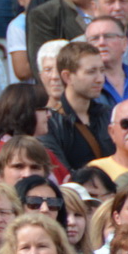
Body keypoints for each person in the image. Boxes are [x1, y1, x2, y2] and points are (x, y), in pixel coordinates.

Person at [43, 41, 114, 170]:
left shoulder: (111, 115)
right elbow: (62, 173)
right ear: (67, 77)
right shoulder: (49, 123)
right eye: (91, 72)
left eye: (102, 71)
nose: (100, 79)